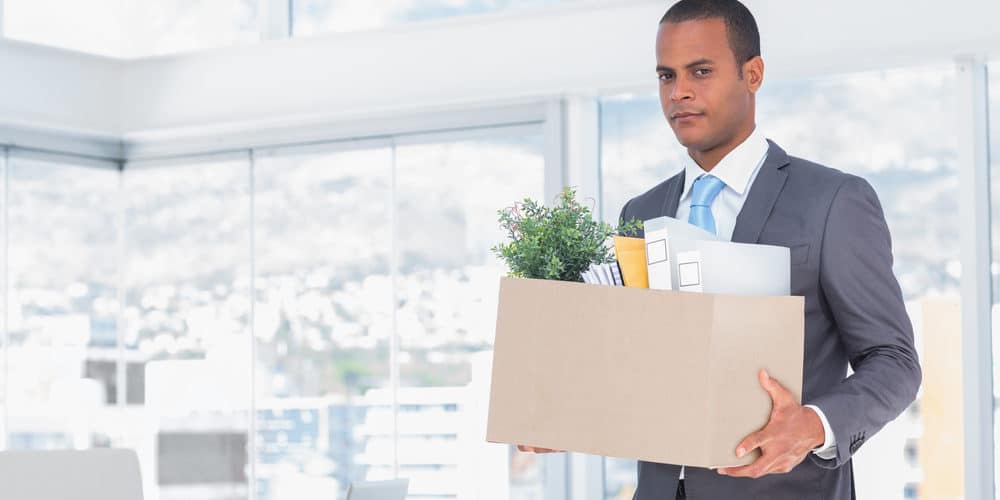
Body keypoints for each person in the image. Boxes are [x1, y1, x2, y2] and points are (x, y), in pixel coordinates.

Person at [518, 1, 921, 499]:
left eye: (701, 71)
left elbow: (894, 360)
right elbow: (635, 366)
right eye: (667, 76)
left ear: (752, 74)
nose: (679, 92)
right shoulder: (639, 214)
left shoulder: (833, 201)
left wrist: (814, 425)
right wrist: (567, 411)